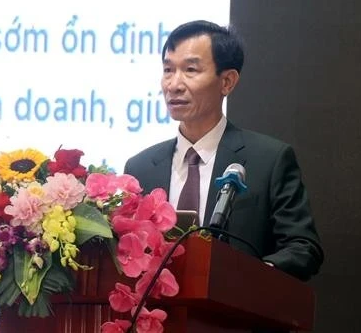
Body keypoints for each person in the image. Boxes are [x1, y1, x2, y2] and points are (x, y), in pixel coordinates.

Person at [123, 20, 323, 282]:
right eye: (168, 70)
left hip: (239, 317)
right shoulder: (140, 168)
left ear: (227, 81)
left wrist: (251, 278)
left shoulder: (269, 160)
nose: (174, 84)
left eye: (190, 70)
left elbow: (303, 248)